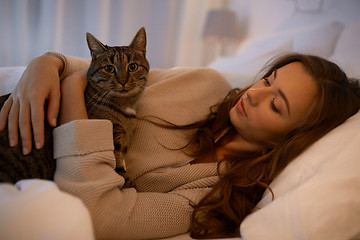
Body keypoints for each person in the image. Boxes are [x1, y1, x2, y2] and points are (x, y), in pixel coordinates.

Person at [0, 52, 359, 239]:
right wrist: (47, 62)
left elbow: (102, 214)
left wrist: (73, 86)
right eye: (267, 79)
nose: (255, 93)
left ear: (292, 139)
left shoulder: (218, 195)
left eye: (275, 104)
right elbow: (101, 69)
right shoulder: (205, 83)